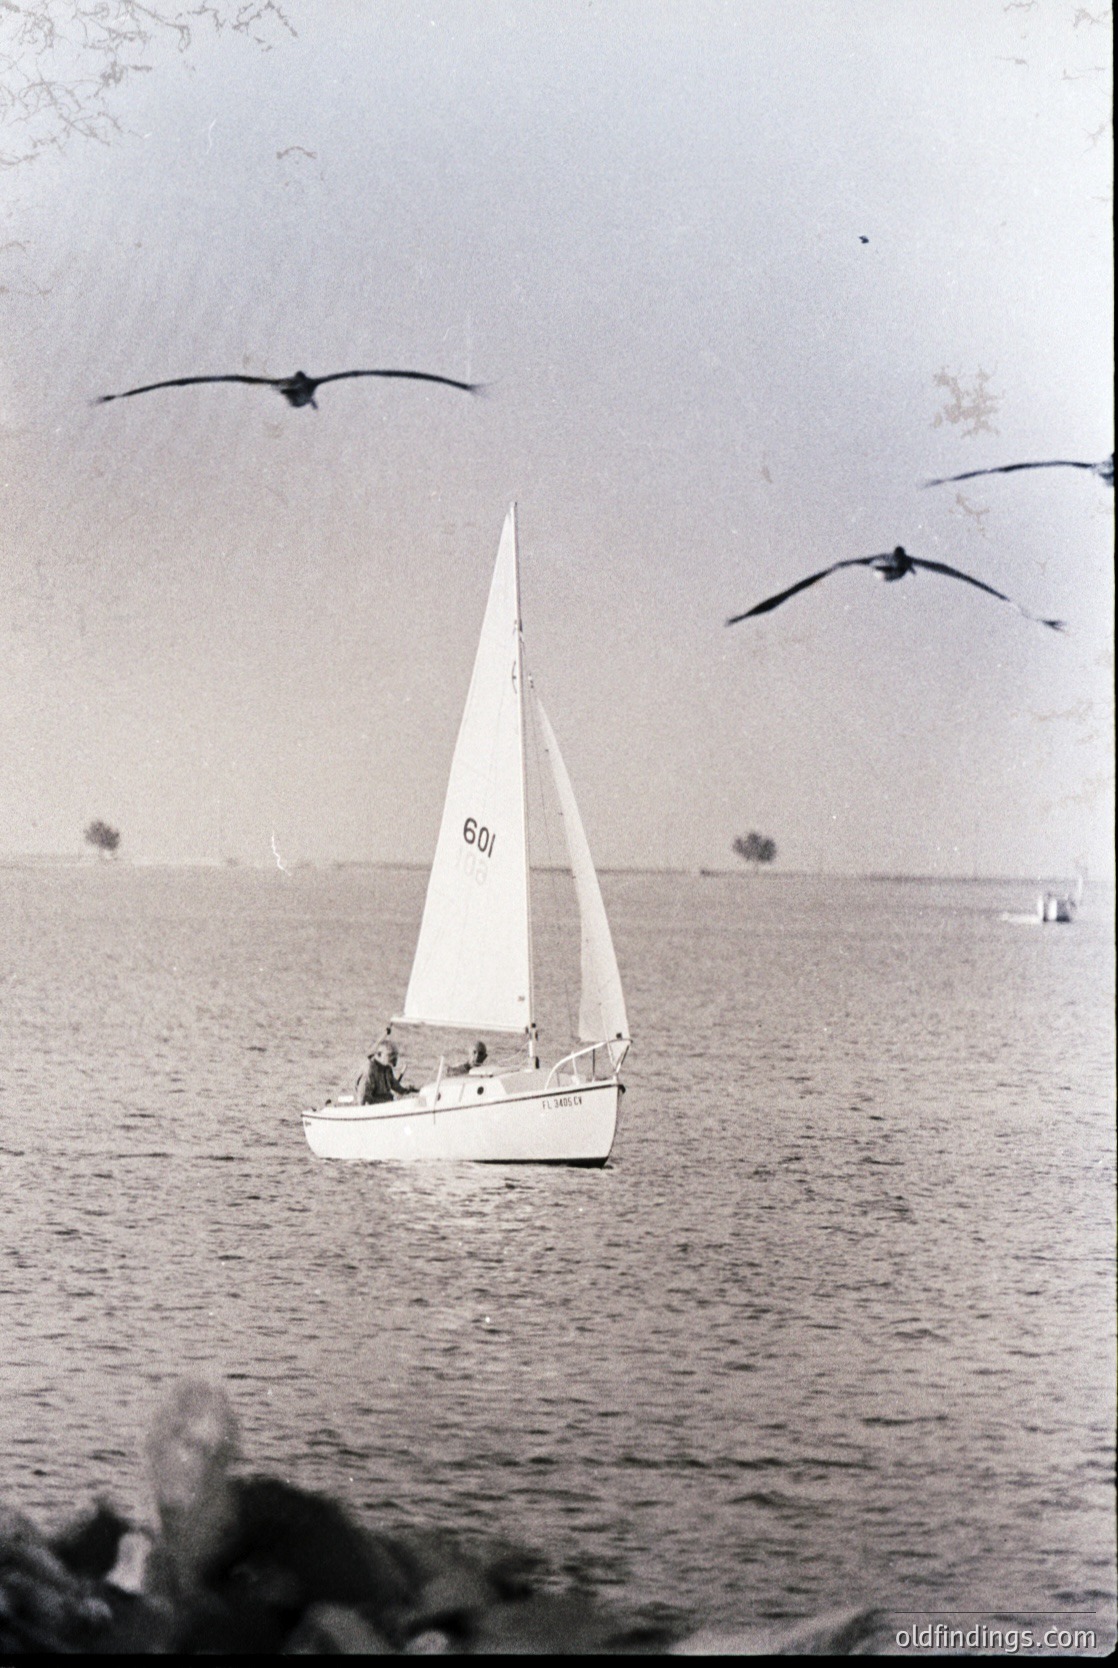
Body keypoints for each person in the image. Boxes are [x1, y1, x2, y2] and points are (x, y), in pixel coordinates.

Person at [356, 1039, 416, 1104]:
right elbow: (363, 1101)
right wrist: (388, 1102)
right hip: (374, 1108)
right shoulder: (369, 1070)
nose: (394, 1059)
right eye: (390, 1055)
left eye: (395, 1056)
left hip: (386, 1104)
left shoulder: (386, 1067)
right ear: (379, 1055)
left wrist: (411, 1090)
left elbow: (397, 1087)